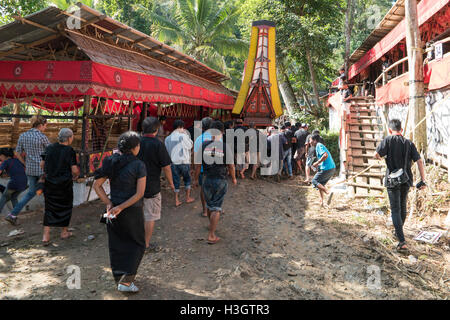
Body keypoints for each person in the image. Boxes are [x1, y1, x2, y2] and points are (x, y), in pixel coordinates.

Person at [93, 131, 147, 293]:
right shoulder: (139, 165)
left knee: (117, 245)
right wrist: (121, 207)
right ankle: (126, 282)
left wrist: (109, 203)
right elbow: (139, 193)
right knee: (137, 244)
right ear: (135, 147)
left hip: (113, 210)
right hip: (131, 211)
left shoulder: (110, 161)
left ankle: (121, 279)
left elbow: (97, 185)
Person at [374, 119, 426, 253]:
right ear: (401, 130)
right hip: (406, 180)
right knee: (402, 207)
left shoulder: (388, 140)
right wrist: (423, 180)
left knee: (395, 210)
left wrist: (381, 157)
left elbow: (376, 154)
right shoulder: (409, 143)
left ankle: (402, 241)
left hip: (392, 180)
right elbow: (419, 161)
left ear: (390, 130)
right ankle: (399, 232)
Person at [194, 121, 237, 244]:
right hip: (220, 180)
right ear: (222, 132)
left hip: (206, 178)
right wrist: (234, 178)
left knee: (209, 205)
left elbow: (197, 166)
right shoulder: (225, 147)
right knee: (216, 208)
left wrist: (196, 179)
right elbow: (231, 166)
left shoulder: (203, 145)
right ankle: (211, 235)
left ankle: (211, 225)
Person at [5, 115, 50, 225]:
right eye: (45, 126)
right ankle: (49, 217)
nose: (45, 128)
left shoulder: (23, 136)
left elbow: (17, 152)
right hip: (42, 170)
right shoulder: (42, 137)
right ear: (40, 125)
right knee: (48, 192)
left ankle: (12, 214)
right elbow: (50, 152)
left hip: (30, 170)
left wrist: (24, 163)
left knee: (30, 193)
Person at [138, 117, 174, 252]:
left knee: (137, 213)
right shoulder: (158, 144)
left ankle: (136, 241)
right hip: (151, 185)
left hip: (134, 185)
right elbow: (166, 167)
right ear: (156, 129)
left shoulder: (135, 142)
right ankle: (145, 244)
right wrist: (171, 183)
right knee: (150, 216)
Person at [41, 128, 79, 245]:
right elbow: (74, 169)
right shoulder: (69, 150)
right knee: (65, 207)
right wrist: (76, 175)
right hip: (64, 184)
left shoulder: (49, 148)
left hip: (50, 183)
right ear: (69, 138)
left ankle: (46, 235)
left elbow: (42, 164)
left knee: (49, 207)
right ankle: (64, 232)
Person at [165, 119, 194, 207]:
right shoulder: (184, 136)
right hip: (184, 162)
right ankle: (187, 198)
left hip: (173, 163)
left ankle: (176, 200)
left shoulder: (167, 138)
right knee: (187, 180)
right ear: (181, 127)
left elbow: (167, 150)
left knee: (176, 181)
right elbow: (190, 146)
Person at [193, 117, 213, 217]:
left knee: (203, 189)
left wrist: (195, 177)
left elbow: (197, 159)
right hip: (215, 169)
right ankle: (214, 208)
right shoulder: (217, 138)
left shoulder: (198, 139)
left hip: (202, 169)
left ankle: (205, 210)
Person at [310, 134, 336, 207]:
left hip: (327, 168)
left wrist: (317, 162)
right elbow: (324, 157)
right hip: (331, 168)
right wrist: (317, 165)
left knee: (314, 181)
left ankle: (328, 192)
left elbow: (325, 155)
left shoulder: (319, 145)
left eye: (310, 140)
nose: (309, 142)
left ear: (314, 140)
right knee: (320, 185)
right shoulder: (319, 146)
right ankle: (321, 202)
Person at [0, 148, 27, 216]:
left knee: (4, 197)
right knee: (14, 197)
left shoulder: (5, 162)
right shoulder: (17, 160)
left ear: (3, 155)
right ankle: (15, 214)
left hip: (14, 183)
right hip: (24, 183)